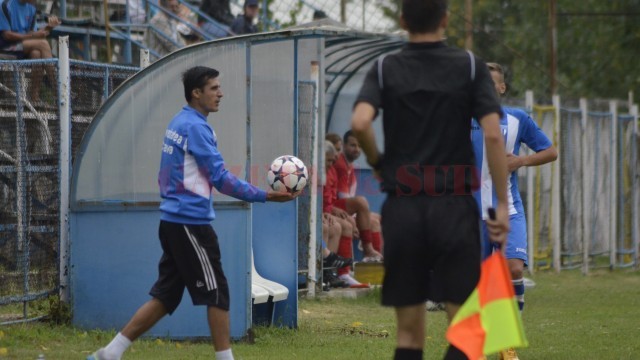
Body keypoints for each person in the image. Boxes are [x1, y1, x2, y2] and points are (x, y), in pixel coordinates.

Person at [87, 66, 297, 360]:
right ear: (196, 93)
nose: (220, 93)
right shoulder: (197, 128)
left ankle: (110, 353)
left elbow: (168, 175)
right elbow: (221, 179)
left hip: (173, 221)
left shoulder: (179, 121)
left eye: (219, 87)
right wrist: (266, 196)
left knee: (165, 296)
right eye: (214, 88)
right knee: (218, 292)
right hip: (190, 224)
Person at [350, 1, 510, 359]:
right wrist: (500, 203)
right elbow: (494, 136)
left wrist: (378, 161)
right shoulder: (469, 66)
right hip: (453, 206)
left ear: (403, 21)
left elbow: (360, 122)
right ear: (446, 19)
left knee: (408, 336)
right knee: (466, 332)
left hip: (404, 208)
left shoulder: (385, 66)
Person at [471, 62, 558, 360]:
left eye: (491, 82)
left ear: (501, 88)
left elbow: (551, 151)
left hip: (509, 210)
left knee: (514, 268)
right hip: (472, 213)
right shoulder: (461, 120)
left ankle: (506, 342)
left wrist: (520, 161)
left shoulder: (517, 119)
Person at [323, 140, 368, 288]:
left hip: (329, 210)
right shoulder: (335, 167)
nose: (333, 162)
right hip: (324, 211)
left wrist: (329, 210)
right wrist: (327, 211)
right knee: (335, 226)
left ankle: (337, 273)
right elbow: (331, 197)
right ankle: (327, 272)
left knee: (342, 225)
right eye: (330, 159)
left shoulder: (334, 169)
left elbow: (331, 197)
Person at [332, 130, 384, 259]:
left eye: (359, 146)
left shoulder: (350, 165)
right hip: (335, 207)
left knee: (376, 220)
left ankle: (374, 260)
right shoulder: (340, 163)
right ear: (343, 146)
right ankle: (368, 249)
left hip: (343, 207)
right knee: (361, 202)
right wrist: (355, 220)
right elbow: (344, 197)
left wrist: (360, 219)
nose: (357, 149)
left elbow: (349, 197)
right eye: (353, 145)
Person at [0, 0, 61, 101]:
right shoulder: (5, 4)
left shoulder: (31, 8)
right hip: (5, 46)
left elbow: (33, 33)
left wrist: (49, 28)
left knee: (36, 53)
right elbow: (7, 35)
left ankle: (34, 97)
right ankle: (57, 88)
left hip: (22, 45)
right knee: (42, 43)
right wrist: (34, 35)